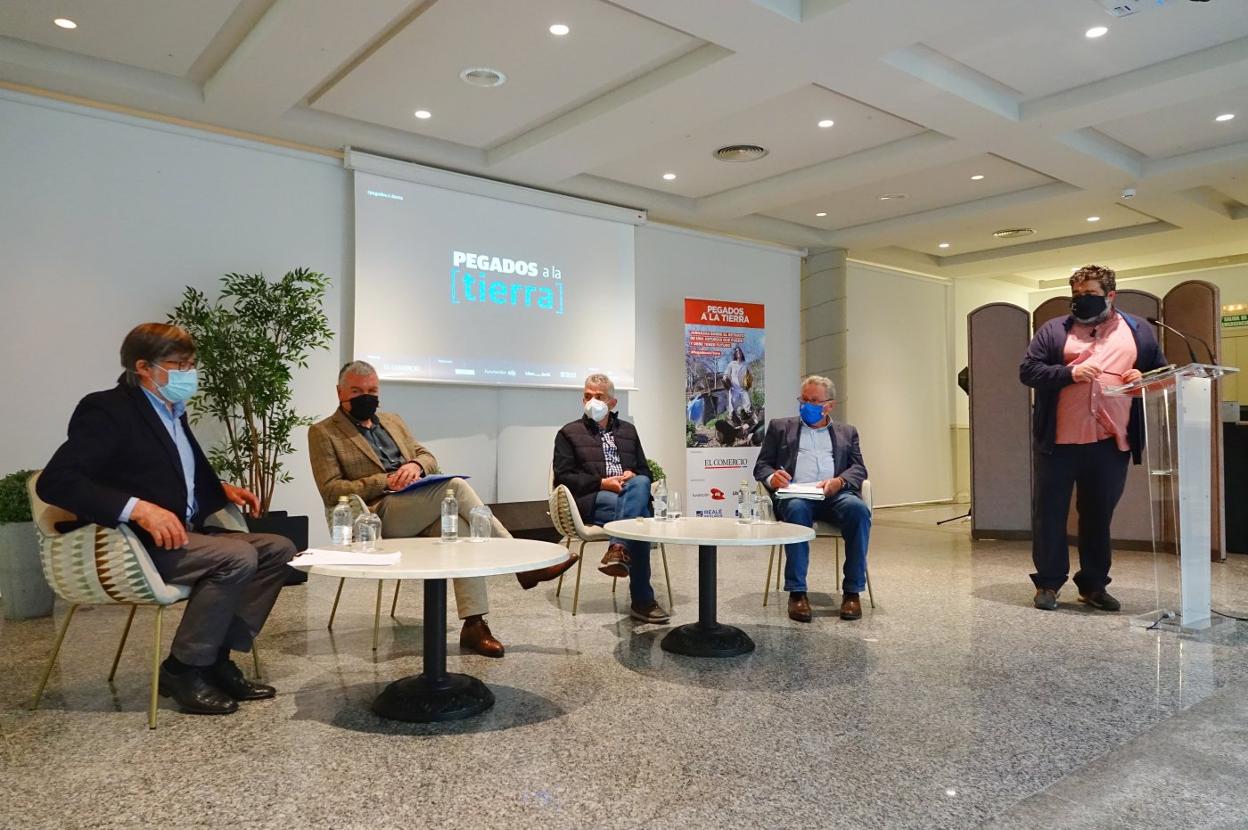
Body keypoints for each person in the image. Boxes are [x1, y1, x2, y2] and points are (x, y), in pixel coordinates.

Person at [37, 323, 295, 716]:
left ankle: (216, 659)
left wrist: (219, 488)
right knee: (236, 557)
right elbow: (58, 481)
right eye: (178, 364)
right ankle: (184, 668)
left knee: (278, 549)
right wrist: (137, 508)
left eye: (191, 364)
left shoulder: (173, 412)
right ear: (143, 366)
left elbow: (165, 472)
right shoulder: (108, 408)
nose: (188, 373)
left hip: (184, 536)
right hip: (136, 543)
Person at [308, 361, 577, 658]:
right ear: (339, 392)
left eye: (372, 390)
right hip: (375, 515)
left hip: (414, 504)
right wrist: (385, 480)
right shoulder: (323, 432)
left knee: (461, 535)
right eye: (357, 391)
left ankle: (475, 625)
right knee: (456, 487)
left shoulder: (392, 420)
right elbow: (330, 489)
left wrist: (414, 465)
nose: (366, 396)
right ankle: (527, 567)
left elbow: (427, 456)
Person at [1020, 264, 1165, 611]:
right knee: (1050, 514)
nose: (1081, 301)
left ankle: (1094, 585)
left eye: (1090, 295)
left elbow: (1161, 374)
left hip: (1110, 443)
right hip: (1059, 442)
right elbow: (1028, 370)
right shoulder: (1054, 330)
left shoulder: (1138, 331)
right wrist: (1070, 372)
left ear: (1111, 295)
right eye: (1077, 295)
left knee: (1098, 516)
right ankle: (1049, 583)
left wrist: (1141, 377)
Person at [553, 373, 669, 624]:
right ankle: (643, 601)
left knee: (639, 485)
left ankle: (617, 548)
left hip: (628, 495)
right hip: (594, 498)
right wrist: (602, 482)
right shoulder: (568, 433)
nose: (591, 401)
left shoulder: (628, 431)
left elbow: (645, 472)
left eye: (599, 397)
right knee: (639, 521)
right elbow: (563, 477)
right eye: (587, 396)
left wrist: (630, 475)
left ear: (612, 402)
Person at [754, 375, 871, 623]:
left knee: (858, 511)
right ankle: (797, 593)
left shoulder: (847, 432)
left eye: (814, 401)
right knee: (796, 511)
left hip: (835, 495)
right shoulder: (780, 427)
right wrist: (772, 477)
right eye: (804, 399)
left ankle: (852, 592)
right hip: (796, 494)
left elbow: (859, 469)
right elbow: (761, 466)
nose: (807, 405)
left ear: (829, 405)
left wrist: (839, 482)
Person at [723, 345, 753, 425]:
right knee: (734, 404)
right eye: (736, 352)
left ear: (741, 353)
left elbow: (750, 375)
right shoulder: (731, 364)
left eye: (739, 351)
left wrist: (749, 382)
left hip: (743, 388)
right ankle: (736, 421)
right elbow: (726, 373)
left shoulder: (745, 364)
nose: (738, 353)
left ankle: (747, 422)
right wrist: (725, 377)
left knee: (747, 404)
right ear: (735, 354)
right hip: (734, 389)